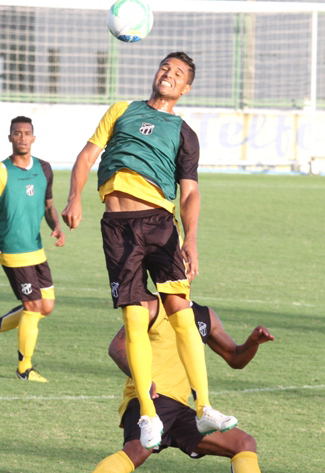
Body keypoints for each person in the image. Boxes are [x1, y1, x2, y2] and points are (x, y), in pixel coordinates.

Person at [61, 51, 235, 449]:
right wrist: (74, 197)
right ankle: (148, 414)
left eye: (178, 74)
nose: (168, 75)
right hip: (118, 228)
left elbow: (190, 192)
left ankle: (205, 406)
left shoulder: (183, 133)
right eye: (165, 68)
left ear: (186, 88)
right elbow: (87, 156)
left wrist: (190, 239)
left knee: (180, 311)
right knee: (135, 318)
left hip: (160, 225)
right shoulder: (121, 110)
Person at [47, 297, 314, 473]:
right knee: (136, 452)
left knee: (242, 443)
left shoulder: (204, 316)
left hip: (180, 409)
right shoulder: (150, 306)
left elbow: (235, 358)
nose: (182, 268)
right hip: (150, 399)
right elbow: (117, 347)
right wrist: (142, 380)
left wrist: (253, 343)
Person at [0, 116, 65, 382]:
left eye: (27, 133)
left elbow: (49, 205)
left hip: (36, 248)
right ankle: (24, 368)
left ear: (34, 138)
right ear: (10, 138)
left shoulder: (45, 169)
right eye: (17, 133)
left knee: (46, 306)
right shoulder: (0, 172)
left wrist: (56, 225)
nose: (22, 138)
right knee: (33, 307)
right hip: (12, 249)